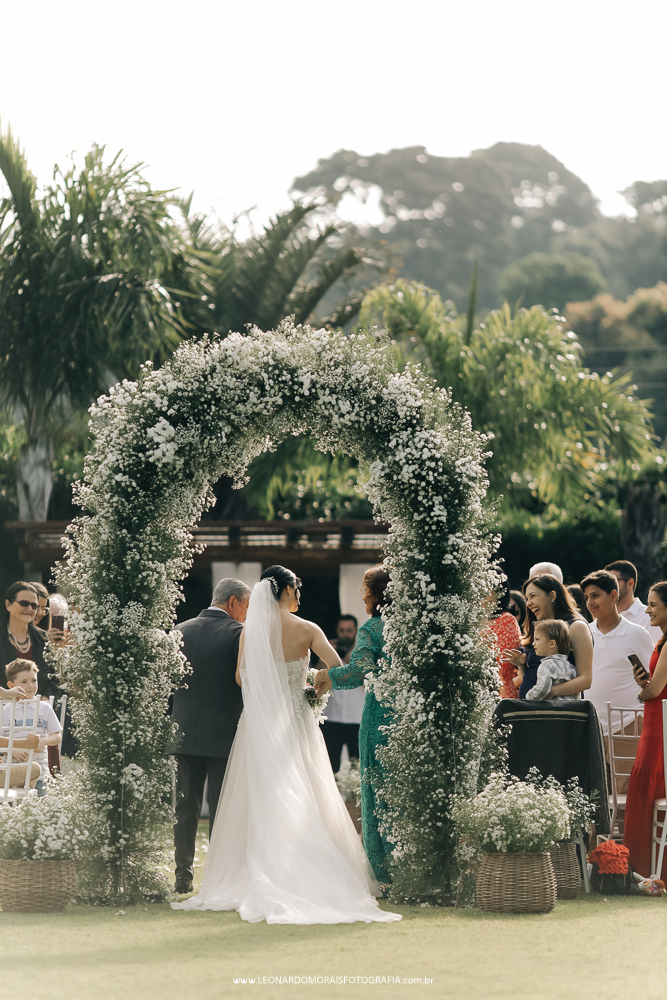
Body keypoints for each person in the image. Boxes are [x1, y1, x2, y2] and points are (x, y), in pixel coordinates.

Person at [172, 565, 400, 924]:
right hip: (295, 723)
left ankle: (249, 871)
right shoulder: (308, 629)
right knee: (307, 794)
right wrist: (310, 689)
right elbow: (336, 667)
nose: (300, 595)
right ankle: (301, 869)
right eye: (298, 589)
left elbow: (240, 676)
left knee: (255, 799)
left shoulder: (251, 630)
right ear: (288, 590)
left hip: (258, 724)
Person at [169, 577, 251, 895]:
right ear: (232, 603)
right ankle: (218, 876)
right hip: (224, 735)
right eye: (245, 605)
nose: (247, 613)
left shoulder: (179, 630)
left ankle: (182, 875)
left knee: (184, 808)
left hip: (183, 732)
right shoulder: (239, 633)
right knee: (221, 809)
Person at [314, 566, 395, 886]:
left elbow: (358, 671)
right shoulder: (413, 628)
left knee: (376, 796)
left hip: (378, 719)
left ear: (376, 595)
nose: (364, 597)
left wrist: (326, 676)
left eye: (367, 591)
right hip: (410, 720)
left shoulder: (373, 628)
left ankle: (385, 872)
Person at [623, 581, 667, 880]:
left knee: (649, 790)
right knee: (647, 790)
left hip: (658, 725)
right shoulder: (662, 641)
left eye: (653, 604)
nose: (648, 609)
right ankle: (644, 866)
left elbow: (656, 691)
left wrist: (643, 691)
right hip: (655, 721)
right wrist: (645, 685)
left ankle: (645, 866)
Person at [582, 570, 654, 737]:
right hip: (589, 727)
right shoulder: (583, 632)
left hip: (629, 725)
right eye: (586, 598)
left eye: (595, 595)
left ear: (613, 595)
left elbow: (653, 679)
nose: (590, 602)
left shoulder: (638, 634)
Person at [507, 574, 593, 699]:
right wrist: (521, 665)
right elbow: (533, 675)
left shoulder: (576, 626)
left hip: (556, 712)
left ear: (552, 596)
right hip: (531, 710)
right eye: (526, 598)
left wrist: (547, 691)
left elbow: (585, 680)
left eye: (533, 596)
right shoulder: (538, 627)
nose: (529, 603)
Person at [1, 658, 62, 795]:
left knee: (40, 807)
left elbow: (57, 735)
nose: (30, 686)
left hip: (39, 774)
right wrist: (13, 751)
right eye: (24, 682)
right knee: (12, 806)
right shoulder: (6, 709)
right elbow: (1, 740)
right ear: (11, 685)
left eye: (34, 680)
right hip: (12, 772)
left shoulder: (44, 708)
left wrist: (44, 741)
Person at [0, 581, 59, 697]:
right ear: (8, 605)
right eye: (24, 603)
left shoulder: (42, 638)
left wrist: (45, 700)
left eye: (34, 605)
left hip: (36, 712)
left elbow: (54, 677)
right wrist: (4, 693)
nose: (29, 609)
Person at [322, 614, 365, 771]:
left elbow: (366, 680)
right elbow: (319, 675)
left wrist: (348, 656)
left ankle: (355, 796)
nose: (345, 634)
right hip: (332, 716)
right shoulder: (329, 649)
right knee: (330, 765)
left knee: (358, 765)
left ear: (356, 631)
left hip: (357, 718)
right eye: (341, 631)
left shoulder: (364, 653)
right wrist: (329, 653)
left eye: (349, 630)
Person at [604, 560, 663, 644]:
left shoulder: (649, 617)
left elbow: (655, 654)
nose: (608, 588)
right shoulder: (602, 617)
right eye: (605, 584)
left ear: (630, 583)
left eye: (613, 582)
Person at [518, 620, 576, 702]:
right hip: (569, 710)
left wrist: (528, 698)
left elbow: (542, 689)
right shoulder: (570, 666)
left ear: (552, 643)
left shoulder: (547, 664)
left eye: (537, 639)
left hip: (553, 711)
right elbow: (576, 692)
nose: (533, 644)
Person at [489, 583, 522, 699]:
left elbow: (501, 662)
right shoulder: (471, 620)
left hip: (501, 694)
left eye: (486, 586)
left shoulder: (506, 620)